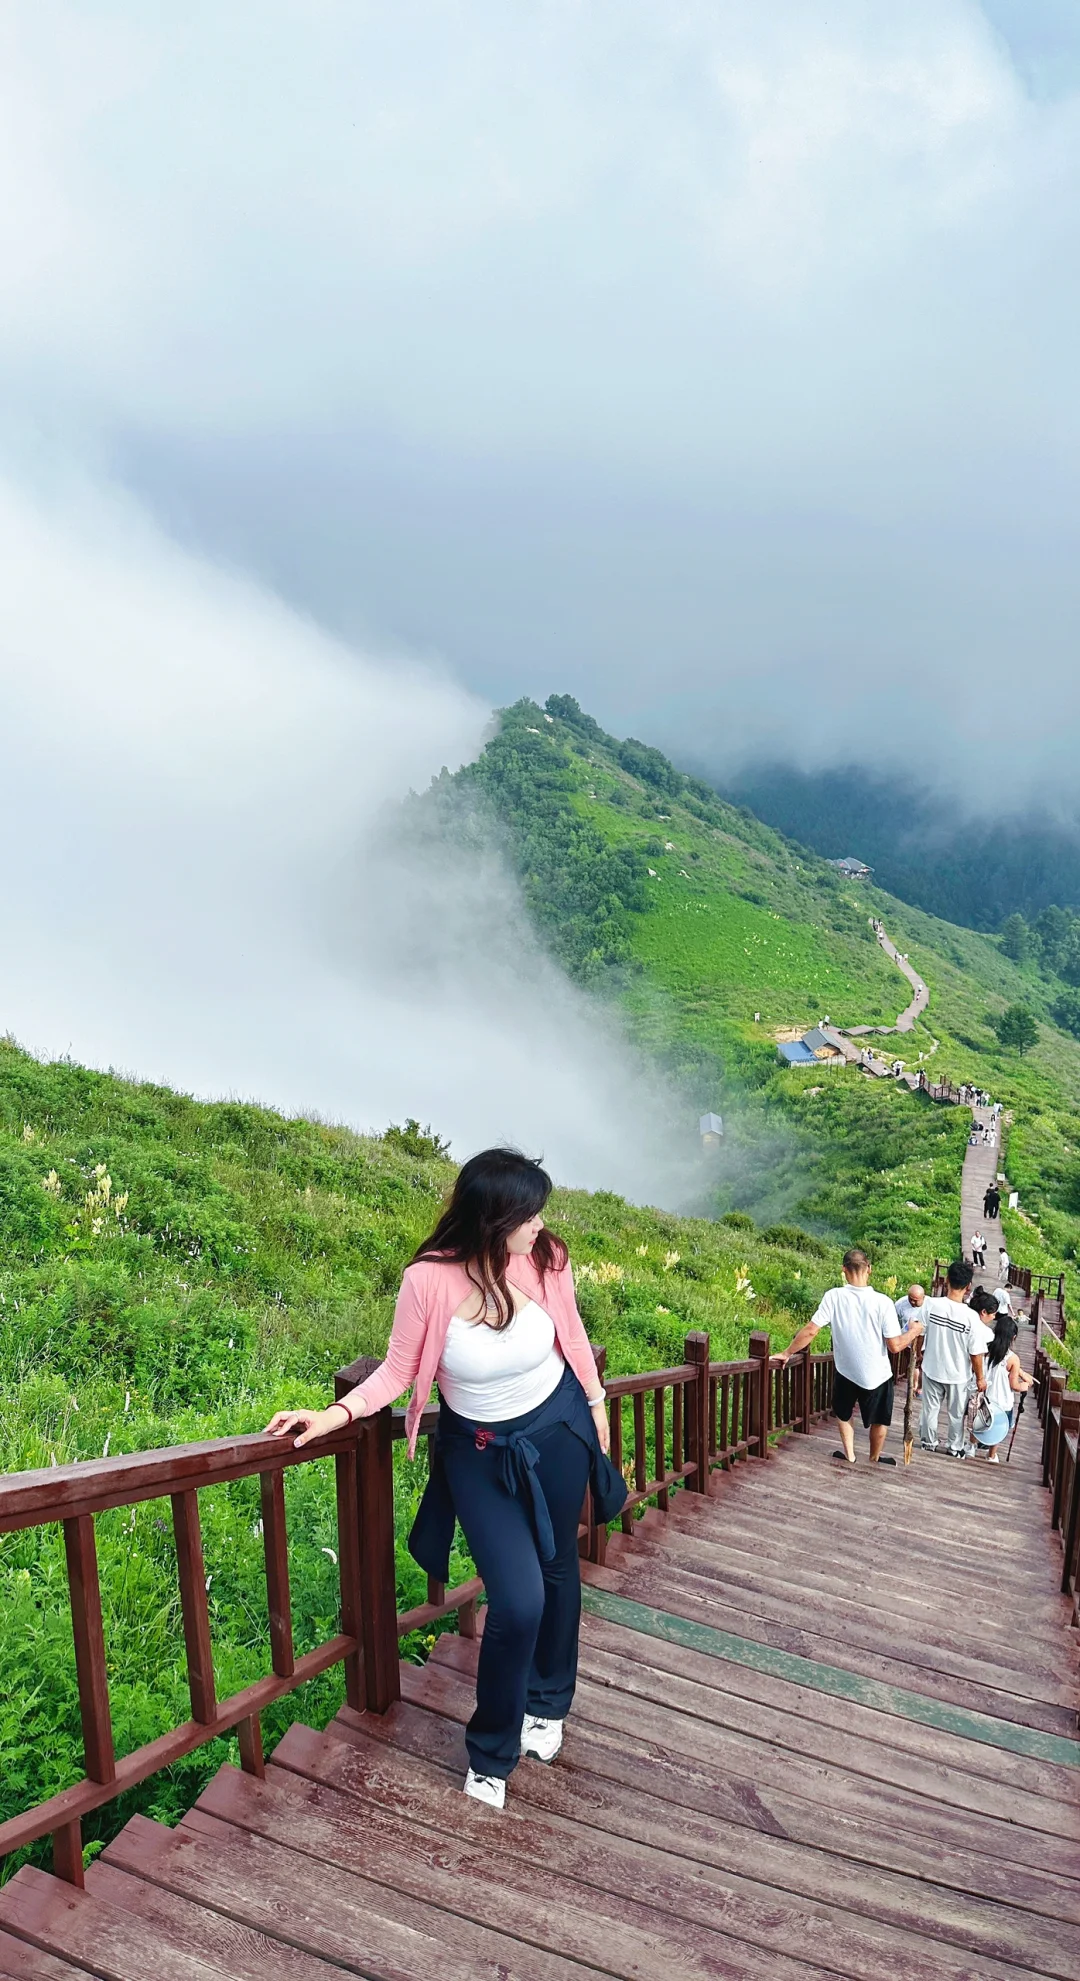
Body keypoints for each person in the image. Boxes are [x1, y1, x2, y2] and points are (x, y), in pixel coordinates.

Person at [264, 1147, 626, 1812]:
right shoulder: (428, 1280)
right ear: (493, 1220)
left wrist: (597, 1402)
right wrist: (335, 1413)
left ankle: (547, 1705)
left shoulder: (545, 1259)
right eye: (529, 1215)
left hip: (557, 1430)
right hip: (479, 1452)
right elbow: (398, 1370)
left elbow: (570, 1331)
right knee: (517, 1601)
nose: (540, 1226)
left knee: (556, 1571)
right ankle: (492, 1751)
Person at [778, 1248, 923, 1466]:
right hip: (878, 1374)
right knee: (880, 1419)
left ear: (844, 1270)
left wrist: (787, 1352)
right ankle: (874, 1458)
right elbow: (894, 1346)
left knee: (844, 1413)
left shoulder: (833, 1296)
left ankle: (850, 1455)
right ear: (869, 1270)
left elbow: (811, 1330)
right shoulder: (883, 1302)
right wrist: (913, 1331)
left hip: (846, 1371)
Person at [919, 1260, 988, 1457]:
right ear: (968, 1287)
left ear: (946, 1280)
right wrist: (981, 1378)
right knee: (956, 1414)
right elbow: (976, 1353)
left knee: (930, 1409)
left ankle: (928, 1442)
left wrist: (918, 1355)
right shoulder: (971, 1317)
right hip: (958, 1374)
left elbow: (920, 1332)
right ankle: (955, 1447)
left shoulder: (931, 1305)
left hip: (931, 1367)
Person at [971, 1314, 1034, 1462]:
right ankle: (991, 1455)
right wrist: (1024, 1385)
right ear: (1013, 1338)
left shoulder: (984, 1349)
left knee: (977, 1420)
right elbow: (1014, 1385)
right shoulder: (1012, 1358)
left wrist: (1021, 1372)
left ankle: (971, 1447)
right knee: (999, 1427)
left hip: (982, 1396)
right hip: (1001, 1401)